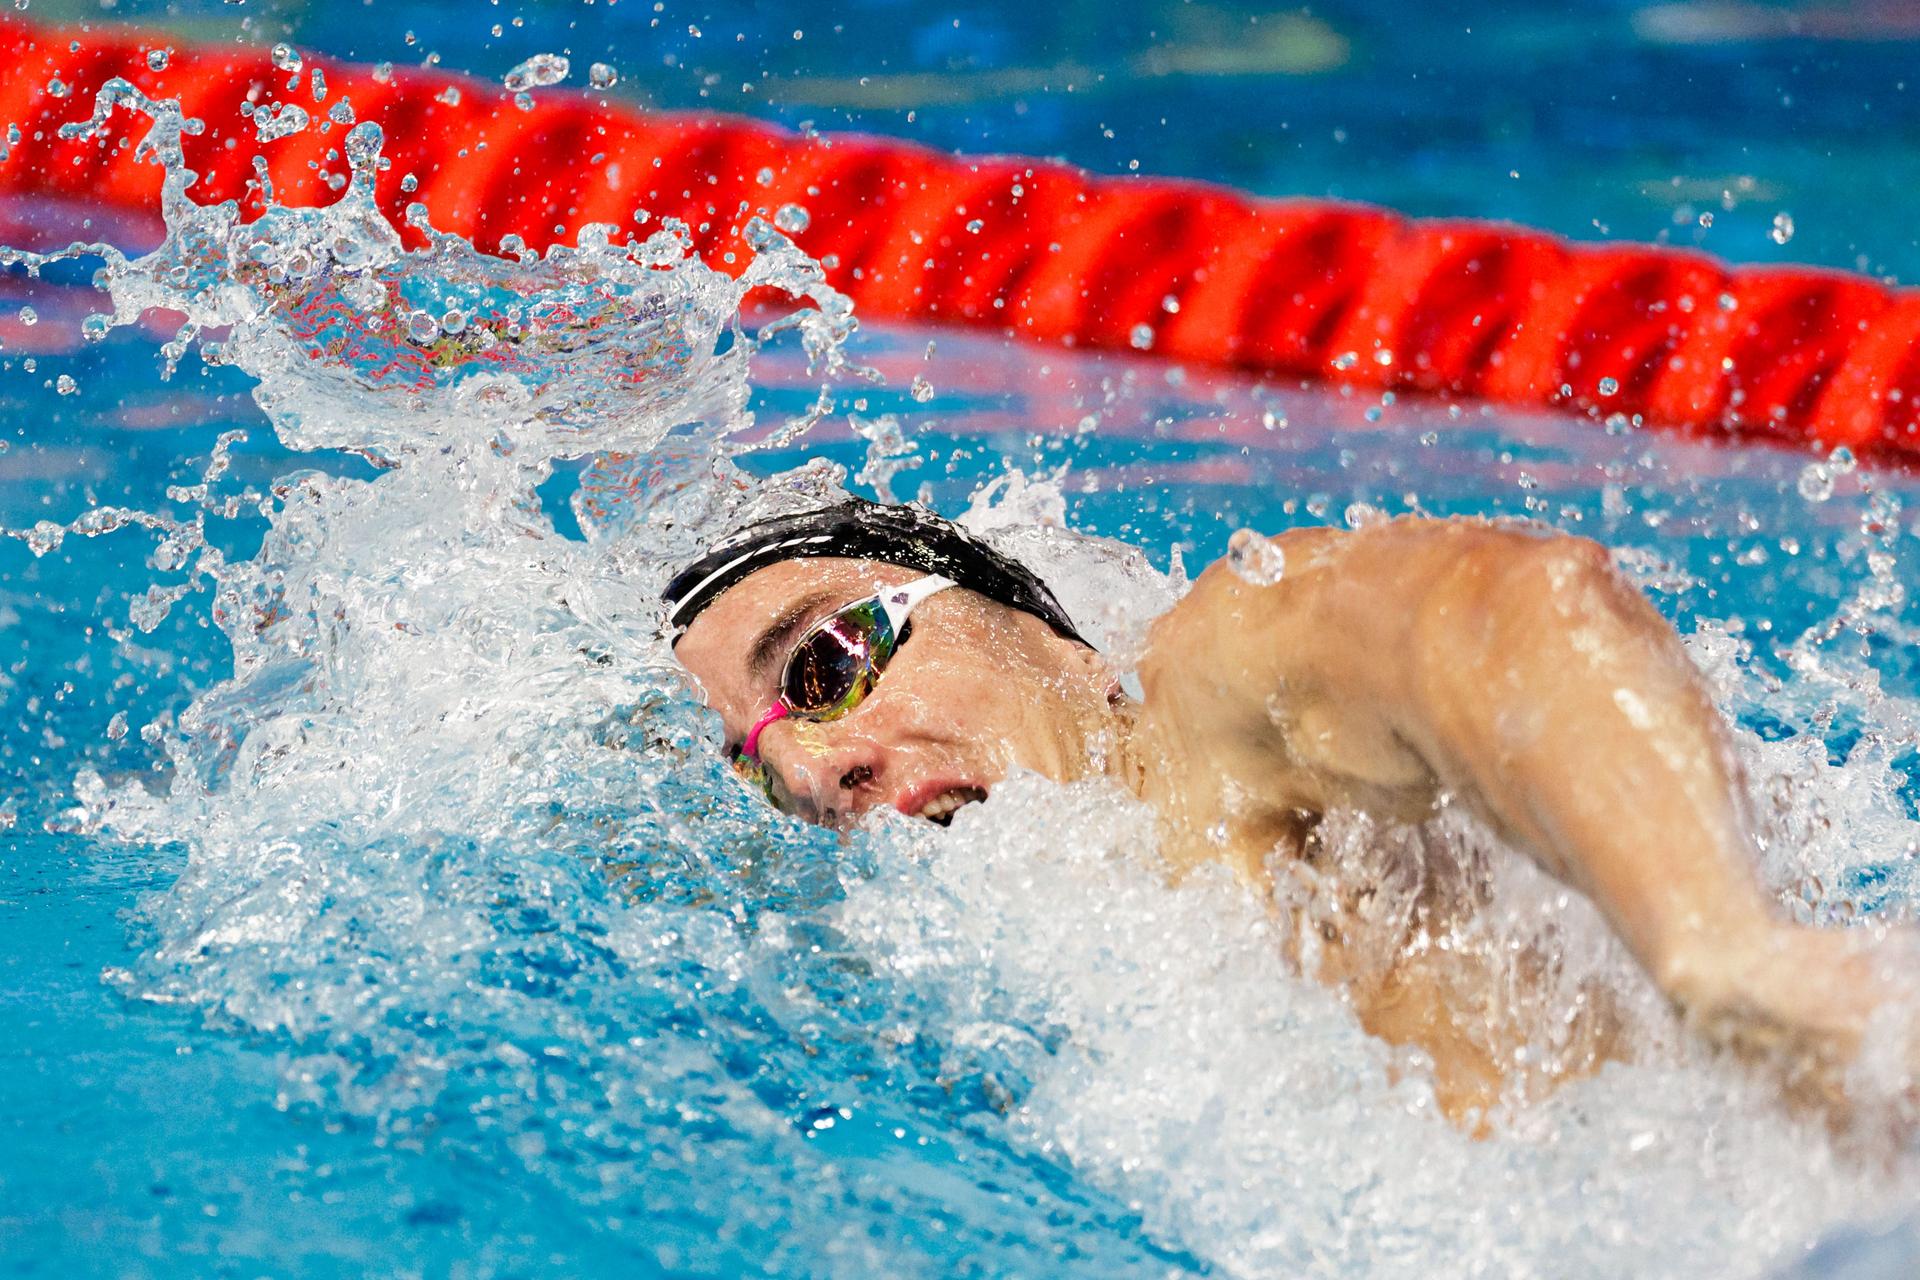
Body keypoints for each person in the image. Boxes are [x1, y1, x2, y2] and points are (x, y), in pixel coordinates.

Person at [663, 497, 1907, 1126]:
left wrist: (1724, 951)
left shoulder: (1210, 705)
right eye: (759, 763)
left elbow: (1504, 614)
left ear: (1040, 630)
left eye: (823, 665)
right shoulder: (1013, 1015)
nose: (819, 766)